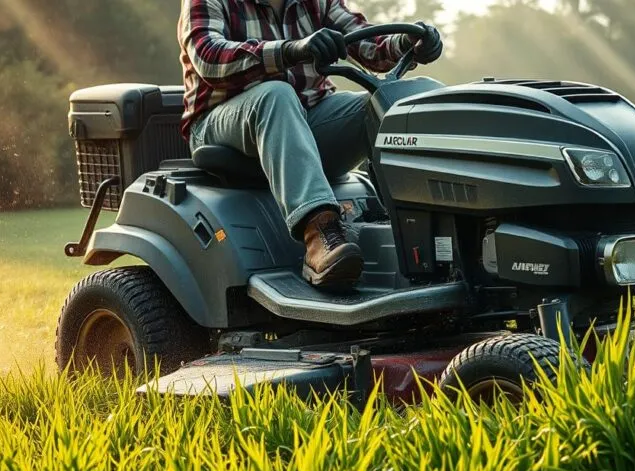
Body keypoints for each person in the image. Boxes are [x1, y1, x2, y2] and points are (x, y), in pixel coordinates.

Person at [178, 0, 443, 288]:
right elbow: (209, 57)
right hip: (222, 121)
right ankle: (320, 235)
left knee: (390, 106)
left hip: (305, 116)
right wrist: (291, 50)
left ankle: (429, 230)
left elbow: (367, 41)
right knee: (276, 95)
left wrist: (407, 43)